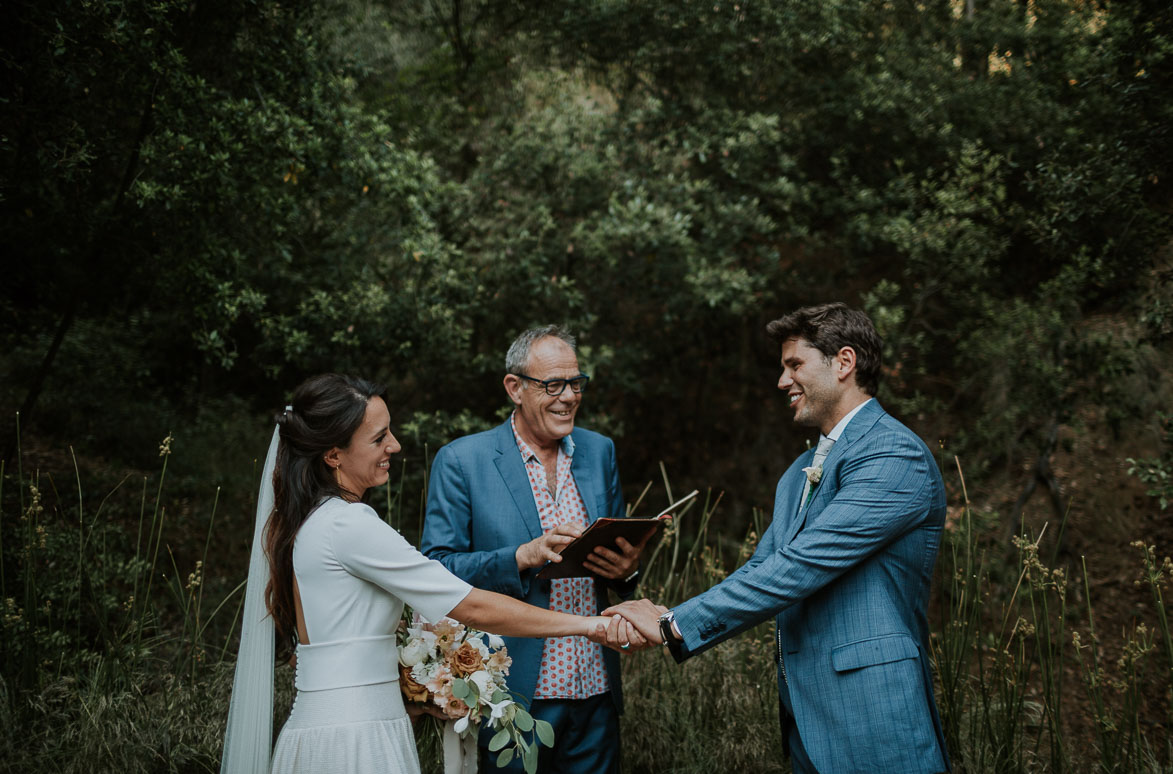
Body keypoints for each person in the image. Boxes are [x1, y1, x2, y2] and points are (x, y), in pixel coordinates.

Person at [219, 373, 641, 774]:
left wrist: (423, 689)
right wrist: (591, 626)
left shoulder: (313, 520)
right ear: (333, 454)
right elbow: (471, 604)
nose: (396, 446)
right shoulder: (349, 525)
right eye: (379, 437)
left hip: (327, 724)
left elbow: (344, 644)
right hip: (355, 739)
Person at [607, 303, 950, 774]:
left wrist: (673, 626)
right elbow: (763, 568)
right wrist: (668, 615)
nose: (782, 381)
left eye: (795, 365)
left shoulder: (893, 454)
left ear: (844, 363)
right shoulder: (797, 473)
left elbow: (800, 568)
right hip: (805, 717)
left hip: (874, 715)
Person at [421, 326, 648, 774]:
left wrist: (625, 572)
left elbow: (619, 562)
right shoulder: (462, 461)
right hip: (512, 693)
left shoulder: (600, 452)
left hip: (595, 687)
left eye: (575, 383)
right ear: (515, 388)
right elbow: (436, 569)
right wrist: (519, 557)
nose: (568, 397)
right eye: (552, 385)